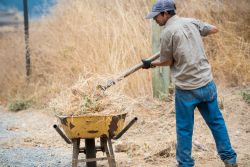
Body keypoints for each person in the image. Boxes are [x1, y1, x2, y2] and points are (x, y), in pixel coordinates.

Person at [142, 0, 237, 166]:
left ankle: (185, 163)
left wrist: (150, 64)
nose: (155, 20)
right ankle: (230, 159)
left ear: (165, 13)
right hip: (207, 84)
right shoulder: (191, 22)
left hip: (187, 90)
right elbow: (214, 29)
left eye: (156, 16)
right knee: (216, 123)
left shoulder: (167, 33)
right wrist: (193, 37)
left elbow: (166, 61)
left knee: (184, 129)